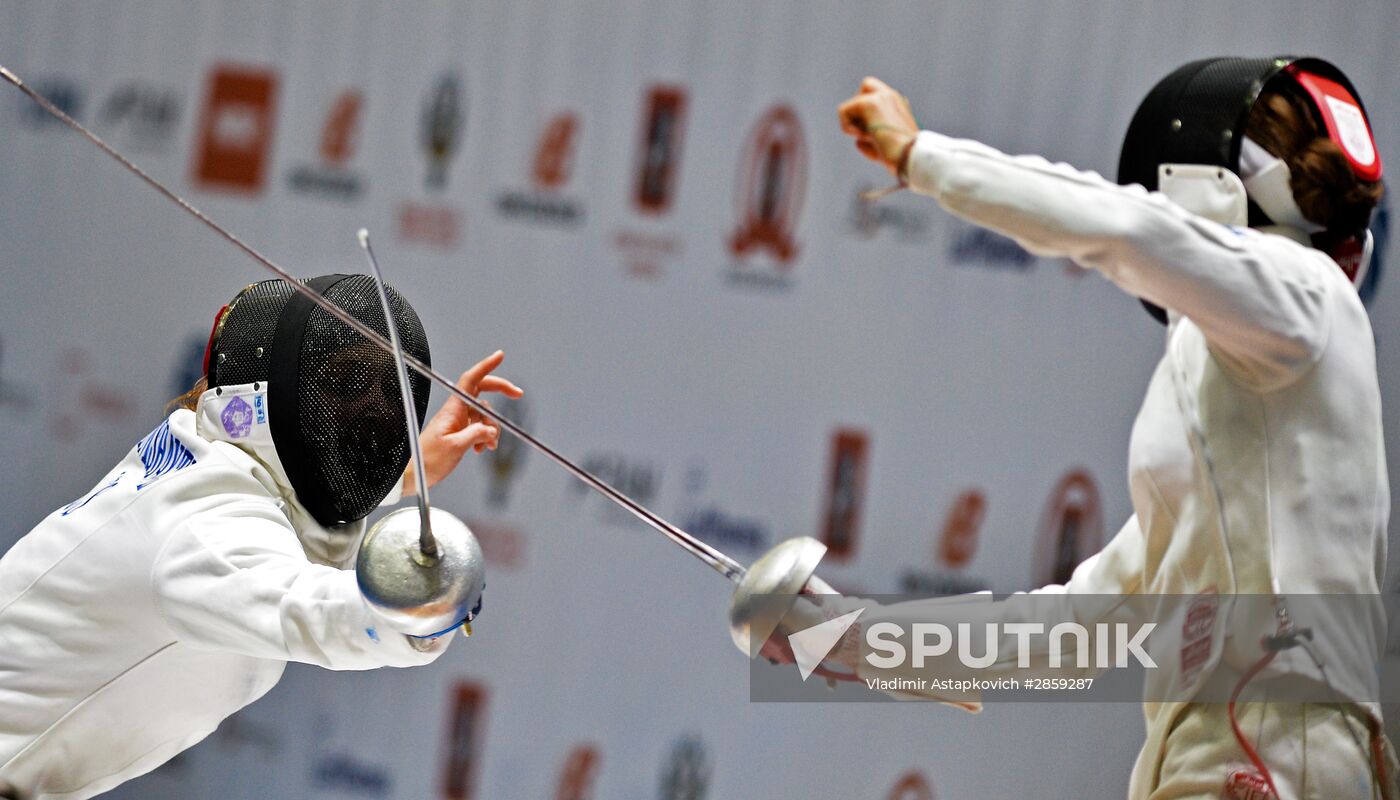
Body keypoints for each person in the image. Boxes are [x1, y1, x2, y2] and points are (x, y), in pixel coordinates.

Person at [763, 58, 1392, 798]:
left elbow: (1128, 230)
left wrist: (923, 157)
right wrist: (842, 639)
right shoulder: (1243, 405)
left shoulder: (1305, 297)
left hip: (1270, 761)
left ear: (1201, 194)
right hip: (1233, 759)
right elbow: (1074, 625)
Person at [0, 274, 522, 800]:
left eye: (389, 390)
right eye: (346, 384)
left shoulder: (206, 454)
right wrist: (424, 600)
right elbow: (318, 609)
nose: (377, 410)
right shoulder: (205, 533)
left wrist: (404, 474)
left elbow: (292, 501)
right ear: (273, 390)